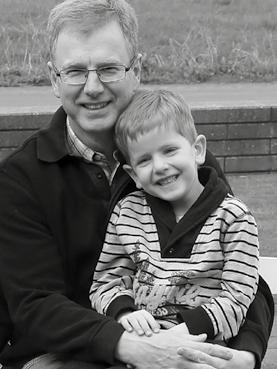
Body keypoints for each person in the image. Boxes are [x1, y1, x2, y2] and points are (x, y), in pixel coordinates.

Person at [0, 0, 273, 369]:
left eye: (109, 68)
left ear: (137, 69)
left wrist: (245, 355)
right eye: (76, 71)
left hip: (181, 339)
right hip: (66, 355)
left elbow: (240, 277)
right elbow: (34, 304)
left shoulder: (188, 165)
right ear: (53, 78)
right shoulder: (20, 178)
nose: (93, 87)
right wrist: (132, 347)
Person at [90, 89, 260, 342]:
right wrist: (124, 312)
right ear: (134, 174)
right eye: (145, 160)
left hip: (202, 344)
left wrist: (182, 334)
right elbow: (106, 282)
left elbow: (238, 297)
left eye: (169, 150)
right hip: (139, 341)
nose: (160, 166)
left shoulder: (234, 219)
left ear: (198, 150)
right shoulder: (127, 213)